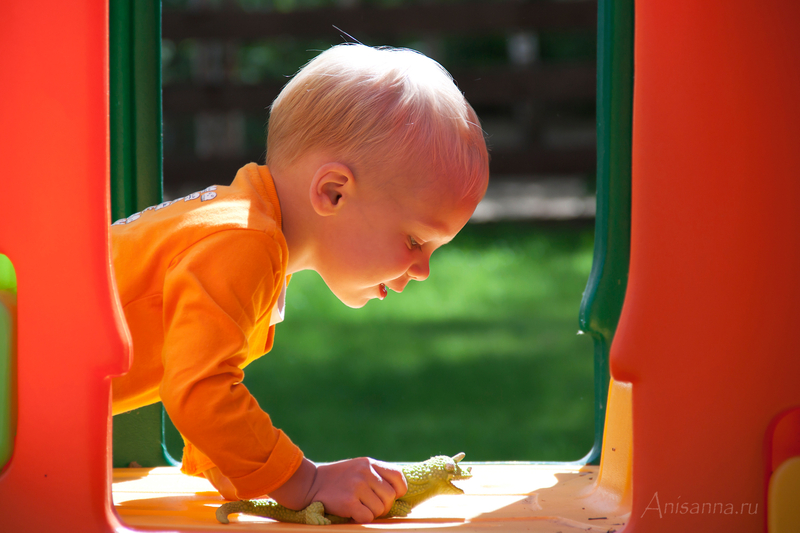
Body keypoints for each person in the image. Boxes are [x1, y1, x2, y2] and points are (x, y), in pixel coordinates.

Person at [110, 43, 489, 523]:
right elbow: (200, 388)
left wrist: (233, 462)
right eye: (415, 241)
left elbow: (186, 361)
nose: (422, 270)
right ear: (333, 192)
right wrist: (304, 482)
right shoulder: (243, 243)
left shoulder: (247, 231)